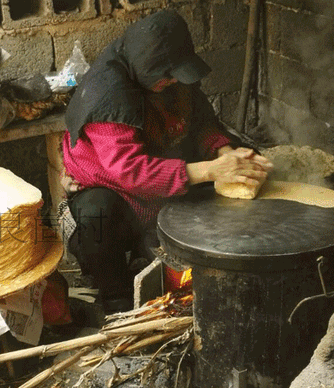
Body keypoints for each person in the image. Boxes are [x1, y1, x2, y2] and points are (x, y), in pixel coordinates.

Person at [59, 9, 273, 312]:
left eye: (177, 75)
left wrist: (225, 153)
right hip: (111, 185)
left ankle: (149, 247)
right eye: (168, 76)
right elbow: (130, 171)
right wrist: (212, 170)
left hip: (159, 170)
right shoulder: (109, 96)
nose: (174, 82)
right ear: (148, 67)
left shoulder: (171, 80)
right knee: (98, 218)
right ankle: (115, 298)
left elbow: (200, 125)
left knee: (214, 198)